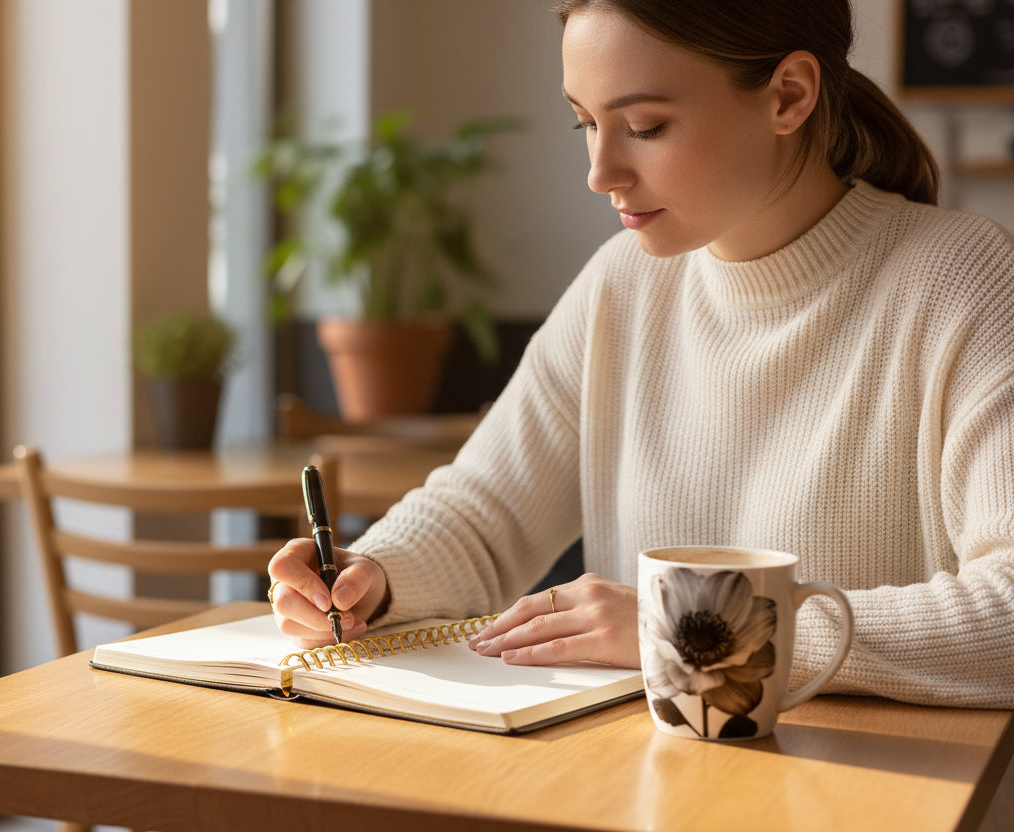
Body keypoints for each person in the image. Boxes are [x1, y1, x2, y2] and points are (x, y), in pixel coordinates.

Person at [267, 0, 1014, 708]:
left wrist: (688, 627)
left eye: (646, 126)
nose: (601, 172)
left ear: (789, 94)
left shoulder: (966, 280)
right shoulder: (621, 285)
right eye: (585, 123)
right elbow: (483, 509)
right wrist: (371, 575)